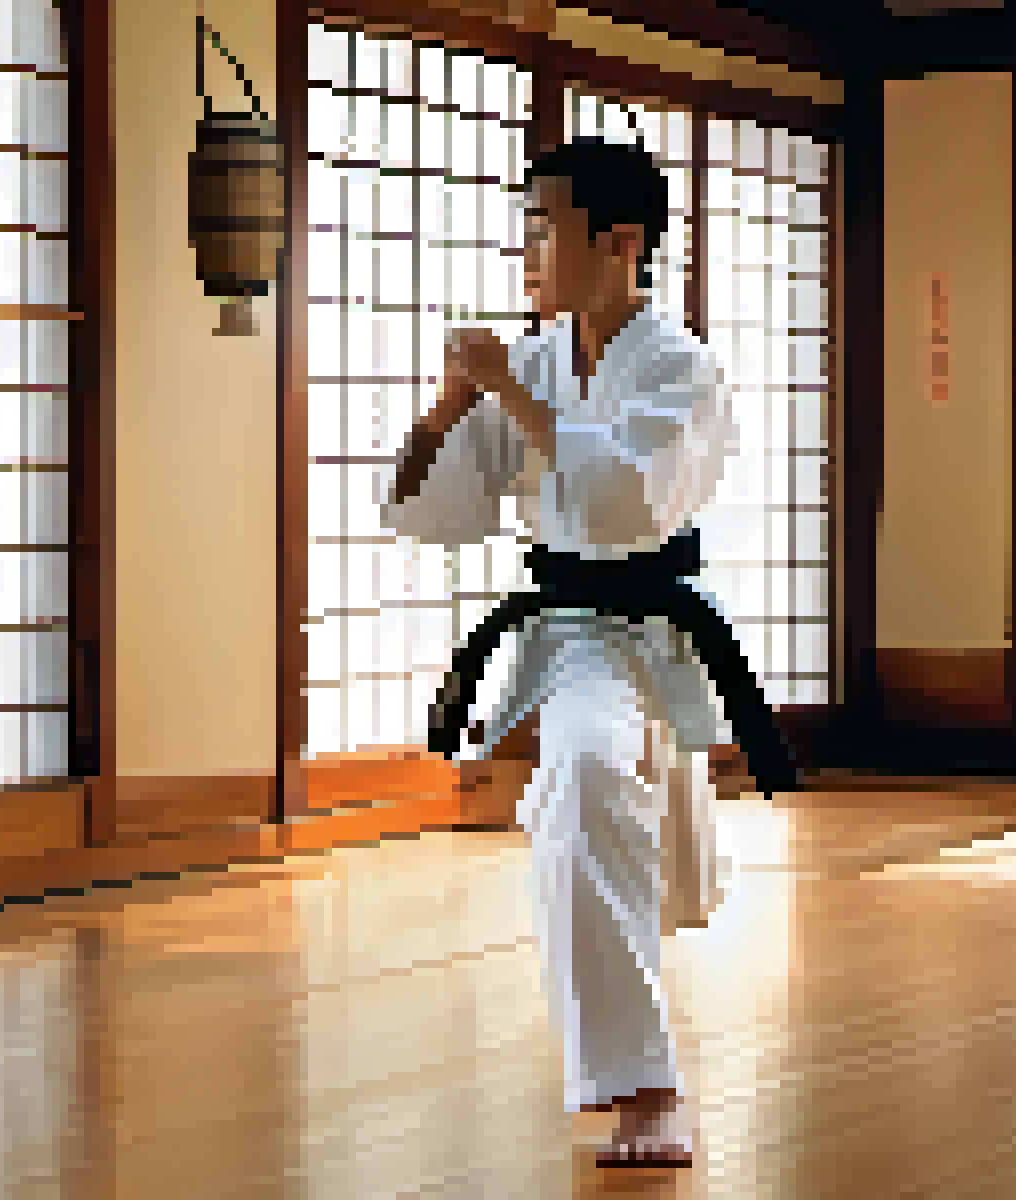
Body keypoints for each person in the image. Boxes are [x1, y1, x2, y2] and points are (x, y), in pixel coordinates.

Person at [381, 136, 797, 1169]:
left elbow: (622, 501)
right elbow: (434, 511)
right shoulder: (528, 359)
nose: (526, 249)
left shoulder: (681, 365)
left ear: (620, 243)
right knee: (585, 773)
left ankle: (640, 1073)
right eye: (523, 227)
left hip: (653, 621)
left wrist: (515, 400)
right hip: (573, 635)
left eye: (544, 227)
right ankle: (644, 1087)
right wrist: (448, 405)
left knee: (614, 803)